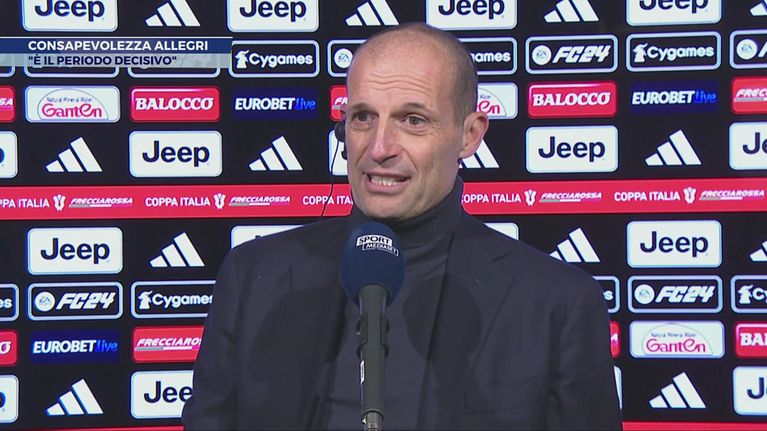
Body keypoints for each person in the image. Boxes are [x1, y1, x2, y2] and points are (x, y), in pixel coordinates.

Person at [182, 23, 621, 430]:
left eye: (413, 120)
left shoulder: (557, 304)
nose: (379, 148)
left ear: (470, 135)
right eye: (363, 117)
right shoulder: (253, 278)